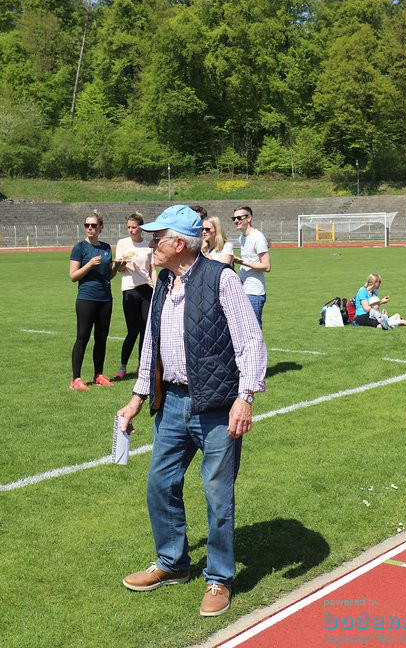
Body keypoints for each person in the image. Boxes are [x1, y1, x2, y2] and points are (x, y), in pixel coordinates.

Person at [117, 205, 266, 619]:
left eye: (156, 237)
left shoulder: (223, 280)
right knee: (159, 484)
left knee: (218, 495)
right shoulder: (164, 281)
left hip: (218, 407)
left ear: (178, 244)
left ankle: (219, 578)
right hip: (173, 404)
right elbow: (152, 347)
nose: (149, 243)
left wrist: (246, 396)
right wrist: (136, 398)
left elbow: (250, 342)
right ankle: (172, 564)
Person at [68, 210, 118, 390]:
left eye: (94, 225)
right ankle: (76, 379)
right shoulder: (80, 247)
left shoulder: (106, 248)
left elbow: (108, 275)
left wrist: (118, 267)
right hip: (86, 298)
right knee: (82, 337)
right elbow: (73, 276)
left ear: (100, 228)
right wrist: (88, 265)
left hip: (105, 298)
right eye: (87, 225)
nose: (90, 228)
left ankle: (98, 374)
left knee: (101, 338)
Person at [113, 213, 155, 381]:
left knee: (146, 331)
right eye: (129, 227)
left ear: (141, 228)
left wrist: (156, 287)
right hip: (130, 289)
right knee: (132, 330)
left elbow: (152, 269)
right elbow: (119, 269)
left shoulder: (148, 245)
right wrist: (120, 264)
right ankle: (122, 366)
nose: (131, 230)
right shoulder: (122, 243)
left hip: (147, 289)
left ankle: (142, 366)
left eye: (134, 227)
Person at [231, 206, 270, 325]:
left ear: (249, 218)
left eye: (239, 218)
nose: (236, 221)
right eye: (234, 218)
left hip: (254, 292)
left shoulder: (258, 237)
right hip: (244, 289)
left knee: (254, 329)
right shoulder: (242, 237)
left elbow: (266, 266)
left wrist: (241, 262)